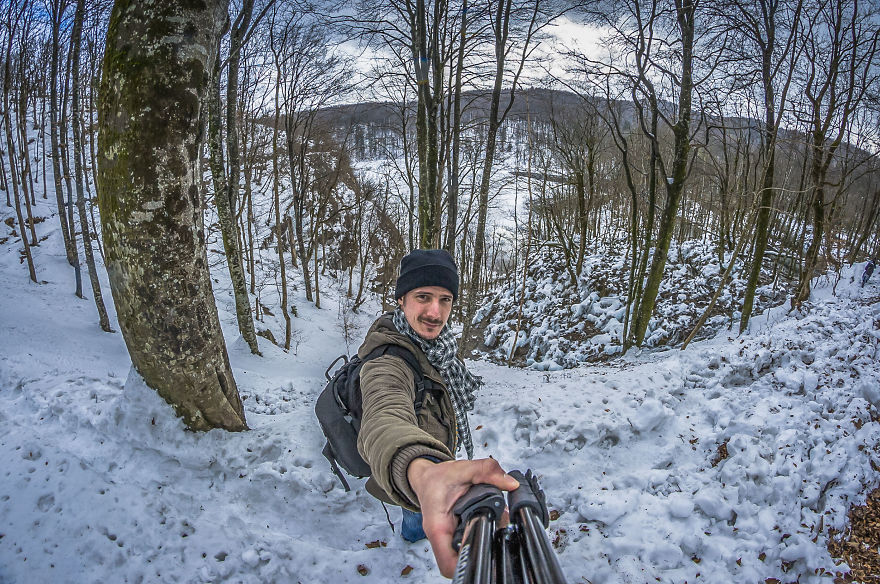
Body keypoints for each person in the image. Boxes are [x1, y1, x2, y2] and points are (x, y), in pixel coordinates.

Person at [355, 249, 519, 578]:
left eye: (445, 299)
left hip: (440, 451)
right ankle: (413, 540)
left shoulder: (438, 349)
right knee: (416, 517)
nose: (435, 312)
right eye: (423, 297)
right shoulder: (388, 360)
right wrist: (424, 473)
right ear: (402, 299)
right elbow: (384, 413)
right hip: (414, 471)